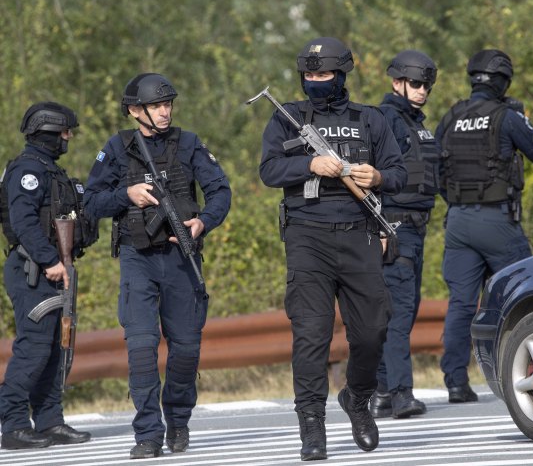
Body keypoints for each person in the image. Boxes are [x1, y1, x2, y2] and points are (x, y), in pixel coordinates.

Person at [259, 37, 406, 461]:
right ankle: (312, 425)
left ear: (341, 75)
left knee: (374, 328)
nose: (315, 82)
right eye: (309, 75)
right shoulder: (287, 118)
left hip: (360, 235)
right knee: (311, 336)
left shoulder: (370, 119)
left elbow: (399, 172)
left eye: (323, 75)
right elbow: (268, 170)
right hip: (307, 238)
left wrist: (376, 177)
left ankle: (358, 399)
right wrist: (309, 164)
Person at [83, 73, 231, 459]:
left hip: (182, 259)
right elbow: (91, 202)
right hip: (138, 260)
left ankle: (178, 421)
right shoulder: (118, 148)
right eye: (156, 106)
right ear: (135, 111)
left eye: (168, 105)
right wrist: (126, 195)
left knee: (185, 349)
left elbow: (220, 190)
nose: (165, 112)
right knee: (143, 347)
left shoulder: (189, 144)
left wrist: (203, 222)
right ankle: (148, 432)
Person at [435, 49, 533, 403]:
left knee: (461, 304)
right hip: (497, 219)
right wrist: (520, 116)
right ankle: (530, 372)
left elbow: (436, 171)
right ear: (503, 81)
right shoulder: (506, 116)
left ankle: (455, 383)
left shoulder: (450, 118)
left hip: (457, 220)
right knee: (525, 294)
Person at [0, 102, 97, 449]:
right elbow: (24, 222)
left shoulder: (49, 170)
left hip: (53, 270)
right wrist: (49, 260)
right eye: (65, 132)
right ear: (49, 133)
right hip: (33, 270)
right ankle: (12, 425)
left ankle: (49, 421)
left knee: (57, 350)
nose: (68, 138)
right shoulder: (28, 171)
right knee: (34, 349)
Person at [369, 50, 440, 419]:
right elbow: (370, 177)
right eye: (415, 83)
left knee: (403, 313)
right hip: (394, 227)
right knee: (399, 314)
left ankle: (381, 391)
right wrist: (379, 227)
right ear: (396, 82)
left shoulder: (417, 124)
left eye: (426, 84)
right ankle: (400, 393)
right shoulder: (385, 120)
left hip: (417, 228)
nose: (422, 89)